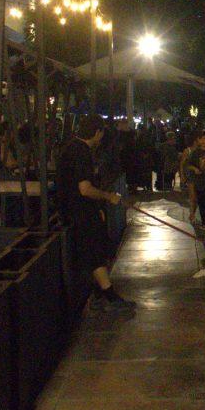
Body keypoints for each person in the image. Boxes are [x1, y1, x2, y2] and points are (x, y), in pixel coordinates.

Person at [56, 115, 132, 311]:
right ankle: (110, 297)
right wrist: (108, 197)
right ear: (97, 132)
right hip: (80, 212)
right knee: (95, 253)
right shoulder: (81, 152)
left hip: (74, 211)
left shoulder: (71, 148)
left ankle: (98, 296)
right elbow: (85, 188)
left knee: (95, 252)